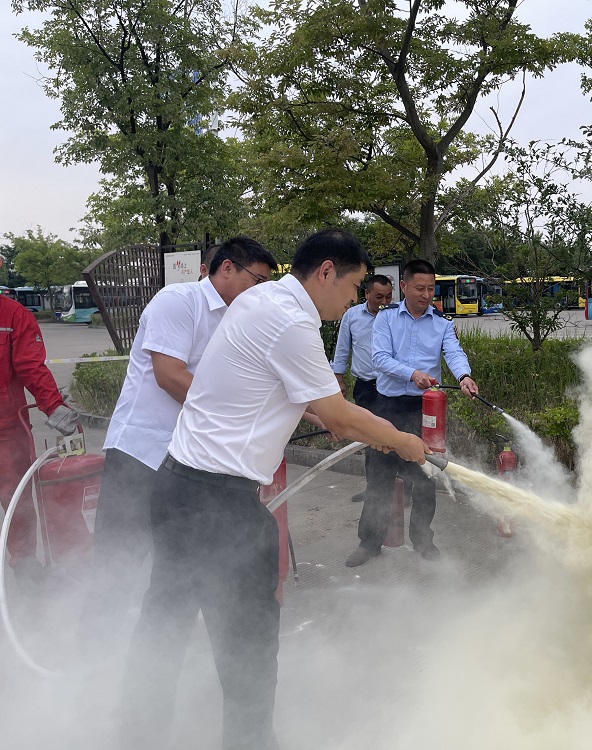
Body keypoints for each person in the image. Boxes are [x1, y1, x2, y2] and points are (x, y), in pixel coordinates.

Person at [119, 228, 429, 750]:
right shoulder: (292, 323)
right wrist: (402, 441)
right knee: (248, 649)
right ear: (326, 272)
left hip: (176, 487)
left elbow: (266, 386)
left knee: (163, 628)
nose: (355, 299)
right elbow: (339, 413)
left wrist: (324, 414)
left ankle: (136, 735)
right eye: (354, 286)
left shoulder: (261, 300)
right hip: (220, 506)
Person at [83, 236, 277, 637]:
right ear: (227, 268)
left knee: (175, 572)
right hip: (141, 455)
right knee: (117, 564)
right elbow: (170, 376)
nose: (259, 291)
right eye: (256, 280)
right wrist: (235, 419)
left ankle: (154, 657)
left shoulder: (239, 320)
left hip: (185, 466)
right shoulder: (178, 301)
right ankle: (92, 655)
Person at [346, 259, 478, 568]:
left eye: (431, 288)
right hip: (387, 407)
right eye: (420, 288)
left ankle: (423, 541)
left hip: (425, 410)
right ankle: (370, 543)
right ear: (404, 286)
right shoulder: (386, 318)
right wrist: (411, 373)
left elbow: (454, 352)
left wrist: (464, 376)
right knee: (379, 475)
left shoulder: (442, 322)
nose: (426, 295)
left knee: (426, 476)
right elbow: (379, 358)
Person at [0, 295, 79, 585]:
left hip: (6, 430)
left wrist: (54, 407)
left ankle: (24, 565)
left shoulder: (13, 316)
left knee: (16, 499)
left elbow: (31, 366)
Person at [331, 273, 394, 502]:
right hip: (366, 387)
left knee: (395, 435)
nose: (384, 302)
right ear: (366, 294)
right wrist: (338, 378)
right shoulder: (352, 315)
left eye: (388, 297)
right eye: (379, 297)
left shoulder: (396, 314)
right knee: (369, 437)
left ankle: (402, 490)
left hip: (392, 387)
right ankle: (373, 489)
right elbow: (342, 349)